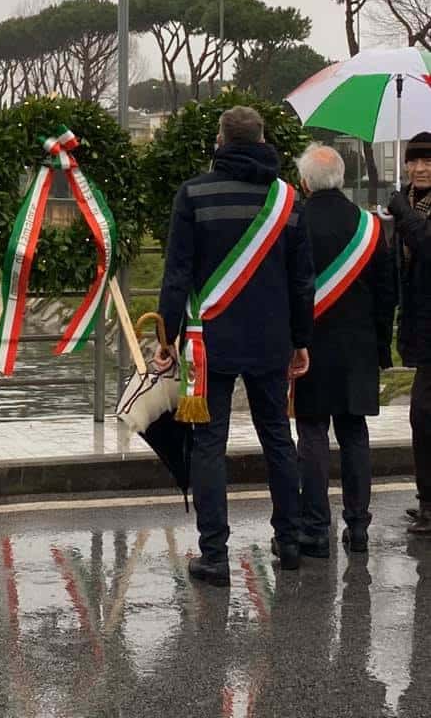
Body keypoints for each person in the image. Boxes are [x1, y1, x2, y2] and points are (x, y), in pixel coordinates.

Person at [156, 106, 314, 586]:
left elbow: (177, 273)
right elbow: (302, 281)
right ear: (263, 140)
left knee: (208, 444)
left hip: (210, 343)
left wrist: (166, 336)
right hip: (270, 339)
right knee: (278, 441)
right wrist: (300, 341)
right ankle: (289, 543)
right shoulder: (287, 200)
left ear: (219, 142)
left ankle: (215, 555)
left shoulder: (194, 194)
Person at [294, 145, 394, 557]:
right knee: (354, 433)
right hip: (360, 347)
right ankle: (358, 527)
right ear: (341, 178)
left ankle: (316, 528)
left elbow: (293, 289)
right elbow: (389, 294)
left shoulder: (295, 222)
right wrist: (382, 346)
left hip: (311, 345)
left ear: (304, 183)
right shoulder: (371, 227)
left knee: (313, 432)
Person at [388, 131, 431, 533]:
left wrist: (403, 210)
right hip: (419, 323)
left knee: (422, 413)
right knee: (422, 416)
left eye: (427, 162)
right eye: (412, 161)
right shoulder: (408, 204)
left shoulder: (409, 207)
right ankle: (426, 501)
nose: (418, 169)